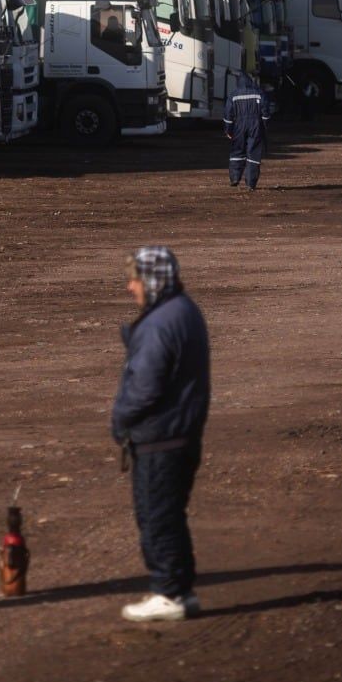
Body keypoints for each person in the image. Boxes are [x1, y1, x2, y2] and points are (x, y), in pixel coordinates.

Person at [111, 247, 211, 622]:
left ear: (153, 280)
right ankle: (179, 591)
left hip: (161, 437)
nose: (130, 287)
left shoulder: (160, 322)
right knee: (168, 515)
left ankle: (169, 592)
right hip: (178, 432)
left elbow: (145, 386)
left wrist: (120, 419)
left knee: (157, 518)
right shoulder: (183, 310)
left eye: (135, 279)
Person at [224, 74, 271, 190]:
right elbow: (265, 112)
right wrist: (264, 126)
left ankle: (235, 178)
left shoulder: (233, 95)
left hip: (239, 126)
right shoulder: (259, 93)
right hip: (255, 125)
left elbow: (228, 115)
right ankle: (250, 183)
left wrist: (228, 130)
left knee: (237, 151)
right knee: (253, 152)